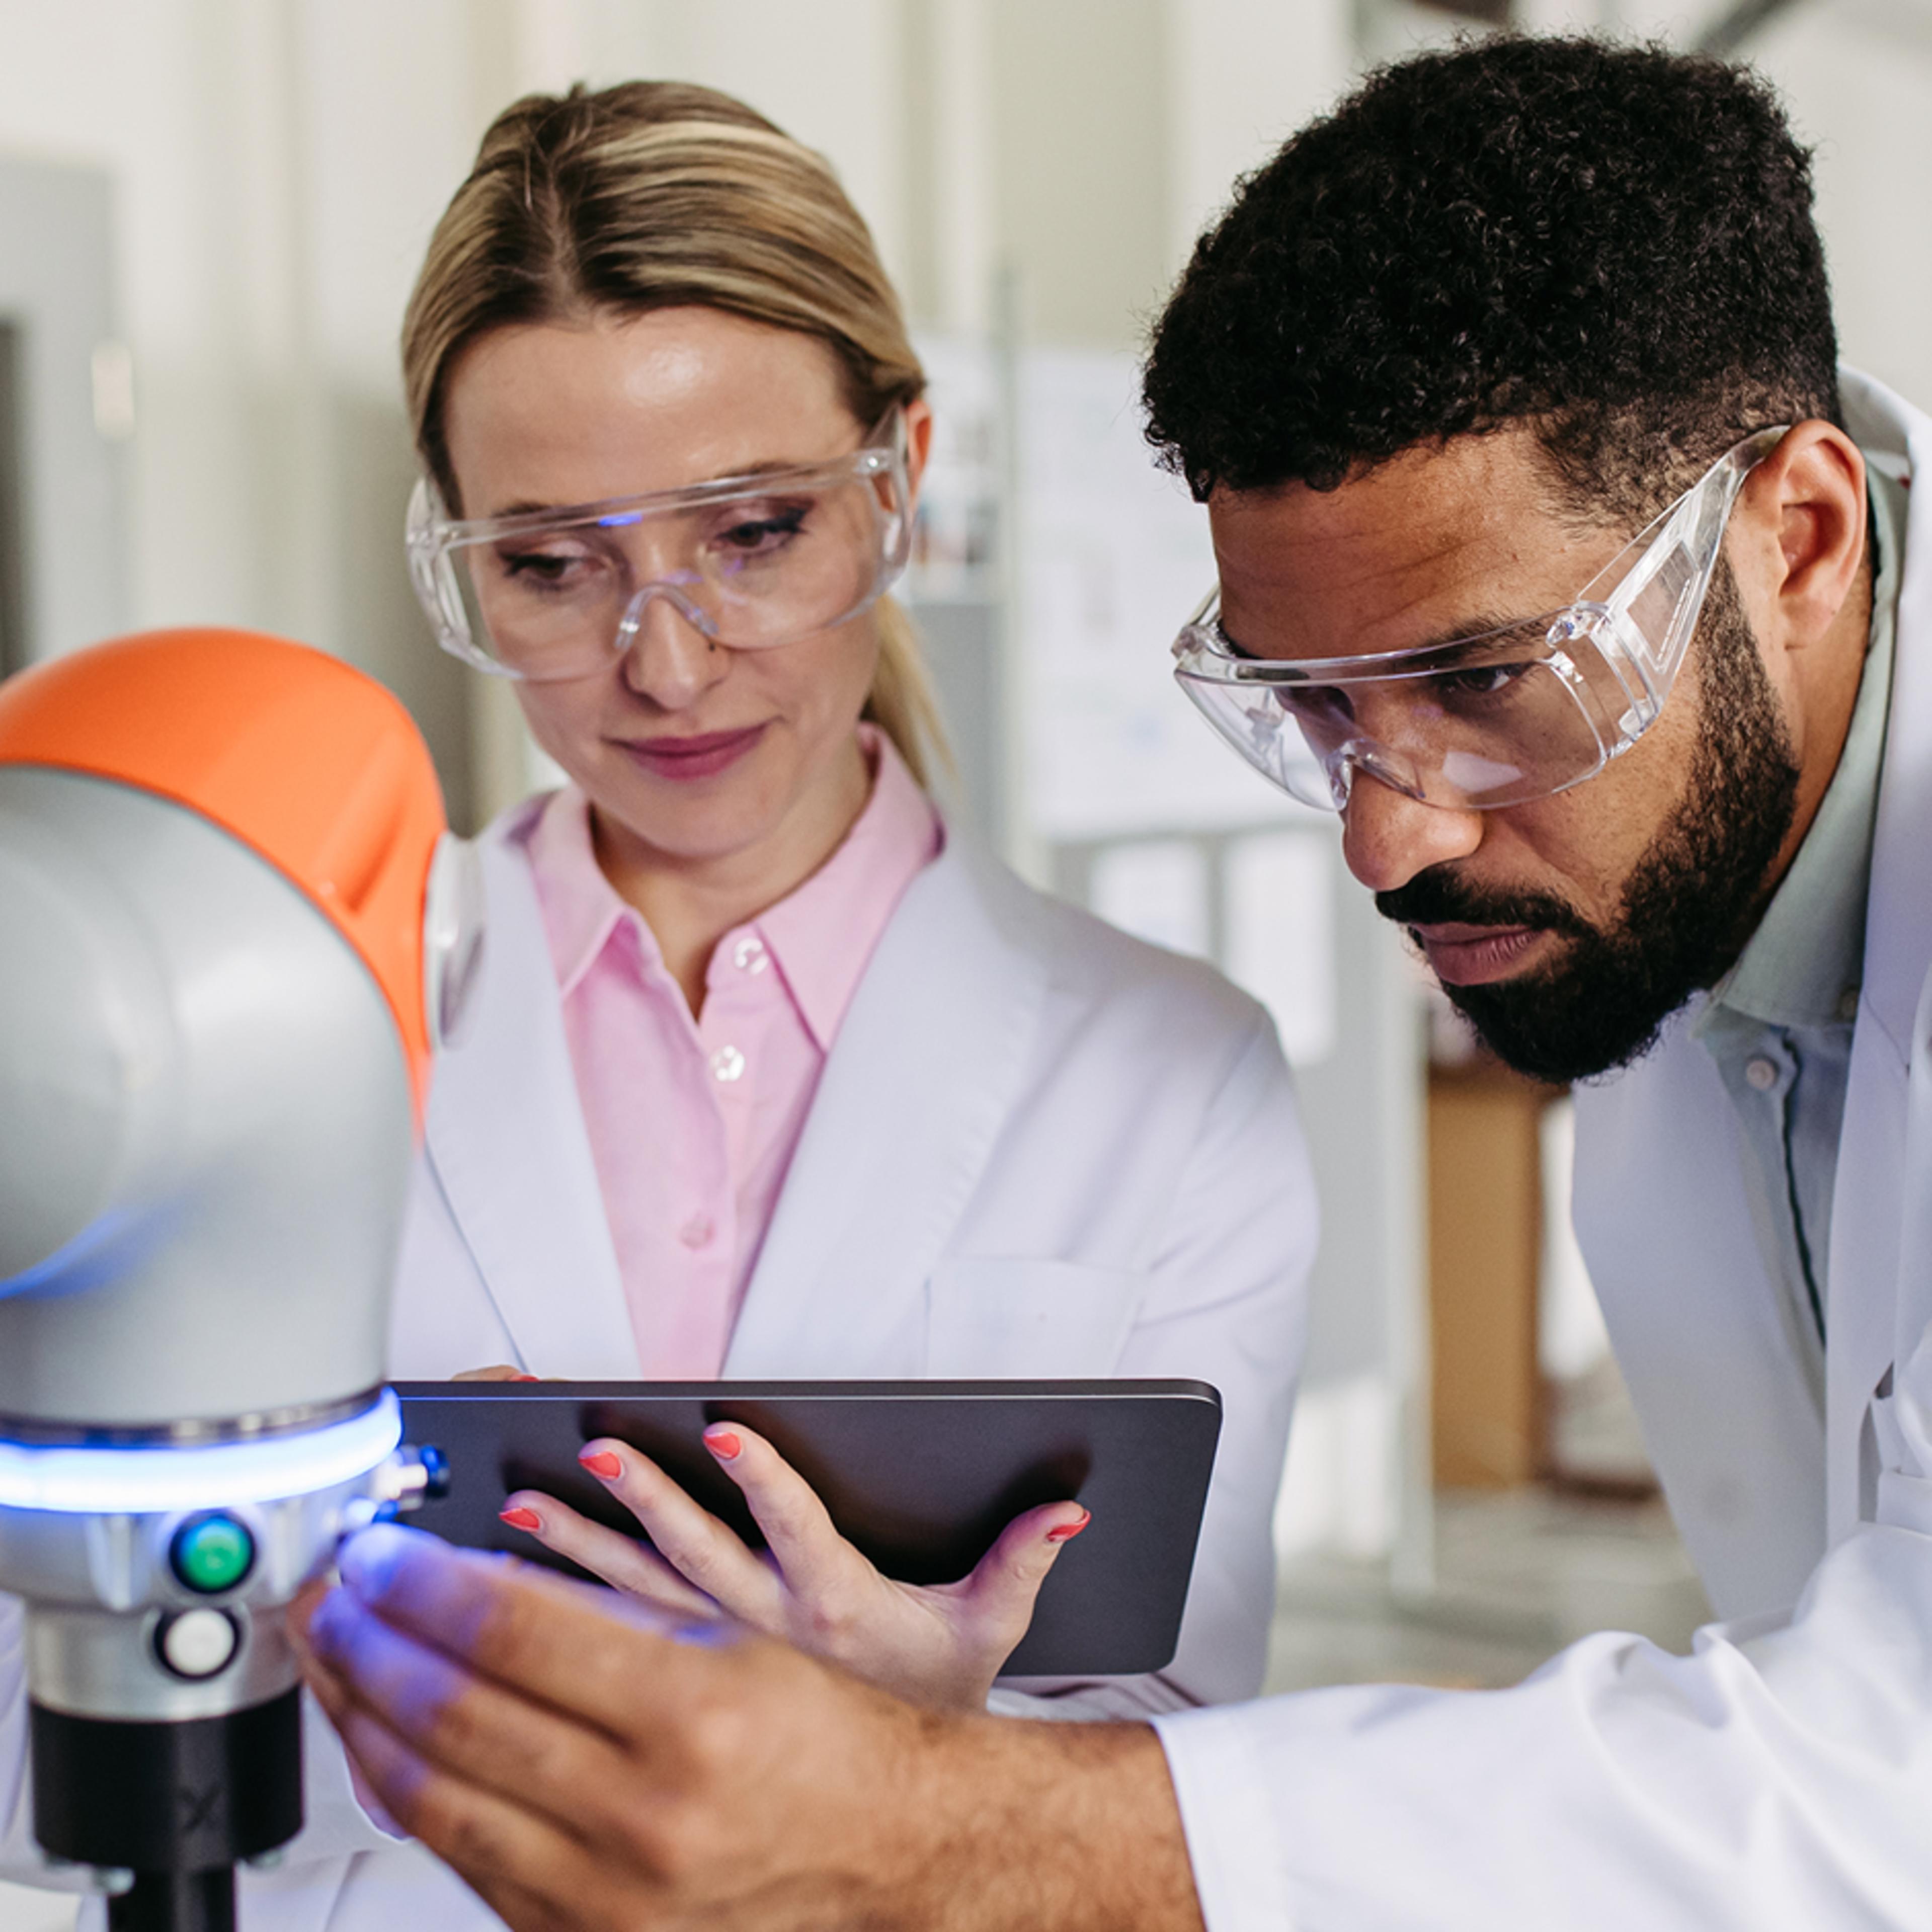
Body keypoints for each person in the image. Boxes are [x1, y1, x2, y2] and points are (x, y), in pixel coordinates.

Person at [293, 36, 1932, 1931]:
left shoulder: (1223, 1041)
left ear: (1798, 538)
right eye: (1309, 706)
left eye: (1485, 681)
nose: (1383, 846)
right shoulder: (1660, 939)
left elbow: (1874, 1775)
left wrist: (927, 1795)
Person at [0, 77, 1315, 1932]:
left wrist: (923, 1758)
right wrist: (359, 1685)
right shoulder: (249, 1019)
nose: (670, 661)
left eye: (756, 532)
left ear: (903, 483)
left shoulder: (1174, 1074)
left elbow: (1189, 1756)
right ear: (454, 551)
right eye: (551, 566)